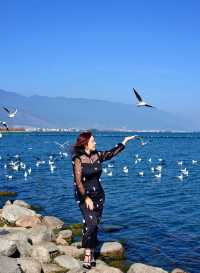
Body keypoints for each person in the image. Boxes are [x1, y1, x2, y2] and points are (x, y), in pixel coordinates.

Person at [72, 130, 137, 269]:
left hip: (99, 196)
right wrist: (86, 198)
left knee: (94, 224)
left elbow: (111, 153)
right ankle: (88, 254)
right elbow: (78, 182)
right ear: (86, 143)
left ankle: (93, 252)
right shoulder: (78, 159)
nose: (95, 142)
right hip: (84, 196)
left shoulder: (97, 155)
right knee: (90, 223)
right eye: (93, 141)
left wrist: (124, 141)